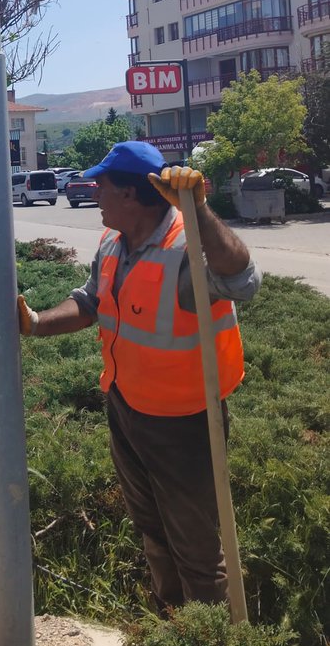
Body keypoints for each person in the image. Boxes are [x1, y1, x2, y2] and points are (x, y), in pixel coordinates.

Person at [18, 141, 260, 617]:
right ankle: (173, 626)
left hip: (183, 423)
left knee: (196, 549)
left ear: (130, 194)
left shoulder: (186, 247)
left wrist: (198, 209)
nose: (93, 193)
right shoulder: (113, 242)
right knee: (153, 532)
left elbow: (242, 280)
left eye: (102, 185)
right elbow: (90, 301)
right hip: (126, 408)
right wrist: (37, 323)